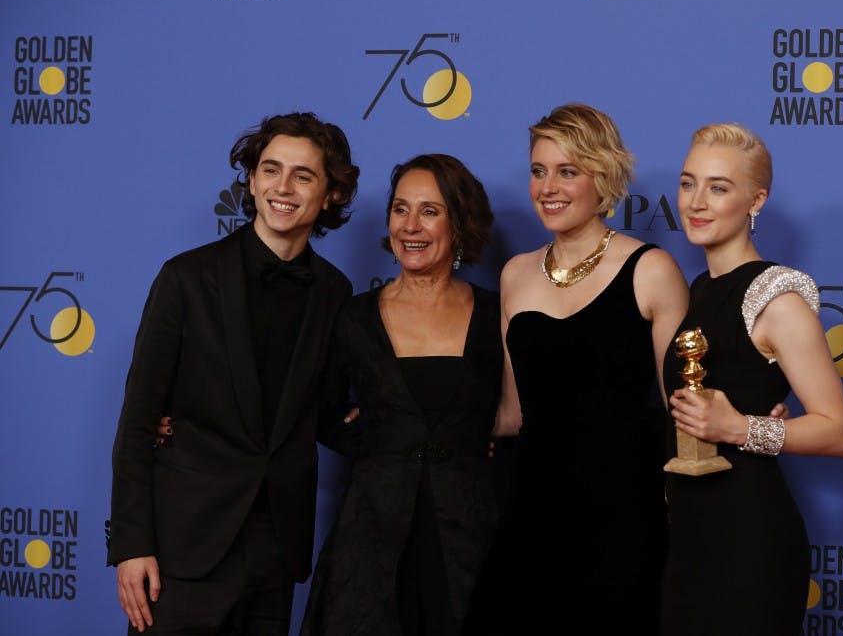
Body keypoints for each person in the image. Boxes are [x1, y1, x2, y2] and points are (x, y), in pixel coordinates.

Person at [107, 112, 359, 634]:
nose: (282, 188)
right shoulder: (187, 278)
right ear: (251, 180)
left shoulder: (334, 292)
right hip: (184, 548)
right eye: (270, 170)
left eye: (303, 175)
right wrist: (132, 546)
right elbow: (137, 422)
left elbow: (327, 412)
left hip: (276, 549)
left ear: (331, 193)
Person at [461, 104, 689, 634]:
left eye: (568, 171)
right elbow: (513, 413)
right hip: (533, 506)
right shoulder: (516, 275)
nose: (548, 187)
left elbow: (683, 407)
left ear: (602, 177)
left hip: (623, 510)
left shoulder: (651, 269)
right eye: (539, 171)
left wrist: (750, 424)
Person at [660, 123, 843, 635]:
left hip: (749, 537)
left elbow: (838, 431)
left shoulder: (777, 298)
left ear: (756, 200)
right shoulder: (700, 288)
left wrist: (740, 427)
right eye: (687, 183)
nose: (696, 202)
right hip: (688, 531)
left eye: (718, 187)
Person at [300, 154, 502, 636]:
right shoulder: (353, 317)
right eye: (400, 209)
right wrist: (379, 445)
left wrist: (495, 442)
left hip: (474, 539)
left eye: (430, 211)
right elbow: (319, 412)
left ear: (460, 221)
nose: (411, 225)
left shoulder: (499, 314)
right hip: (371, 541)